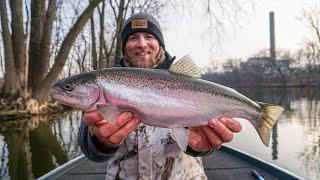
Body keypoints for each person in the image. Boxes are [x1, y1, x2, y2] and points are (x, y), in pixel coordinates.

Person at [78, 12, 242, 179]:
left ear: (160, 43)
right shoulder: (105, 84)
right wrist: (100, 142)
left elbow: (202, 140)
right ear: (124, 46)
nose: (142, 44)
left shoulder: (187, 81)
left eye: (149, 36)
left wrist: (203, 146)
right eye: (133, 37)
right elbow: (88, 149)